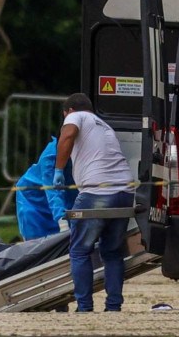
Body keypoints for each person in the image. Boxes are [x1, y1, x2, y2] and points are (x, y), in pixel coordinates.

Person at [54, 93, 134, 312]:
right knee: (113, 252)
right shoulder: (104, 125)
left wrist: (59, 170)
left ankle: (85, 307)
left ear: (68, 111)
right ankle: (114, 307)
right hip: (125, 193)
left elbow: (68, 136)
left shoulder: (75, 116)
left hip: (97, 192)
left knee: (80, 251)